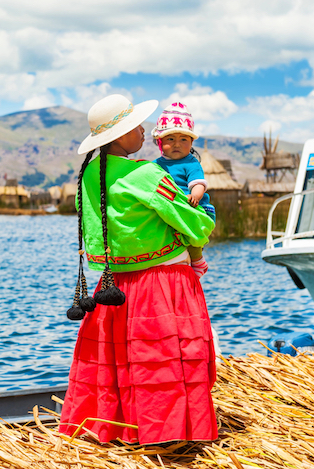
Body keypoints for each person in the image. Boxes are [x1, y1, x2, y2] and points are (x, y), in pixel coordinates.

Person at [59, 94, 218, 445]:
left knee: (121, 362)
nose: (145, 132)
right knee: (160, 361)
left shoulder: (89, 174)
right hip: (160, 284)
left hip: (112, 286)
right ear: (118, 136)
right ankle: (169, 433)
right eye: (136, 127)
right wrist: (202, 226)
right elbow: (195, 223)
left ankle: (118, 429)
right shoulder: (144, 173)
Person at [151, 102, 216, 277]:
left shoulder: (190, 163)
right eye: (170, 139)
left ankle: (198, 261)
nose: (177, 144)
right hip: (172, 208)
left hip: (194, 207)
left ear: (192, 142)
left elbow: (198, 183)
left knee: (190, 237)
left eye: (183, 139)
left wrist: (194, 196)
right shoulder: (155, 165)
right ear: (160, 141)